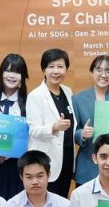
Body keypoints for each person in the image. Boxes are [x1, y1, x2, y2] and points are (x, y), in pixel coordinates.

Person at [73, 55, 109, 185]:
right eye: (99, 70)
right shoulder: (78, 99)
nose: (103, 75)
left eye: (108, 71)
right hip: (87, 165)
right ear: (91, 72)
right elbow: (71, 132)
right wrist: (82, 134)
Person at [26, 49, 75, 197]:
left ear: (66, 69)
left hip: (67, 157)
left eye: (60, 66)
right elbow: (34, 130)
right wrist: (54, 127)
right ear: (44, 70)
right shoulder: (35, 96)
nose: (56, 71)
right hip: (46, 159)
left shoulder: (68, 91)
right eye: (51, 67)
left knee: (62, 200)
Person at [0, 53, 29, 199]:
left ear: (23, 77)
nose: (11, 76)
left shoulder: (28, 103)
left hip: (16, 167)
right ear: (1, 73)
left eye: (17, 72)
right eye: (8, 71)